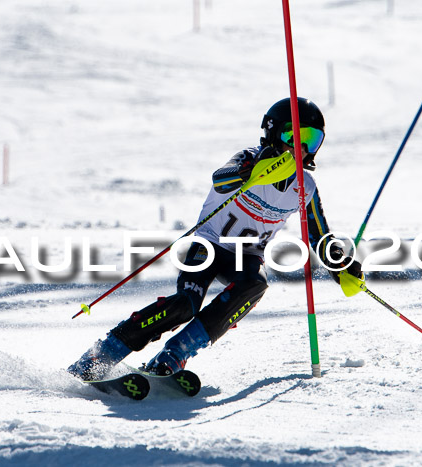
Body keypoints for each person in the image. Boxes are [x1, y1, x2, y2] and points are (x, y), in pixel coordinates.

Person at [68, 97, 364, 380]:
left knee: (255, 285)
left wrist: (340, 263)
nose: (300, 147)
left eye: (310, 141)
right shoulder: (250, 158)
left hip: (246, 257)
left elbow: (319, 235)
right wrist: (249, 172)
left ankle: (174, 354)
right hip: (208, 246)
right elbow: (220, 179)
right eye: (293, 135)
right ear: (273, 132)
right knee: (186, 304)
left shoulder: (305, 186)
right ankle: (103, 354)